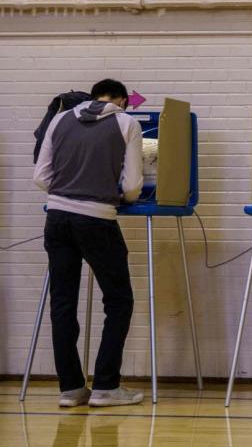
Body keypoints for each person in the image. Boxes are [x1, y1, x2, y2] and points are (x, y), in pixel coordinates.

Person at [34, 79, 144, 408]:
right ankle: (106, 386)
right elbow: (133, 186)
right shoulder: (127, 122)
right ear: (123, 100)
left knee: (63, 303)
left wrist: (69, 190)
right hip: (97, 219)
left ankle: (70, 389)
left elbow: (40, 176)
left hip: (56, 218)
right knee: (119, 301)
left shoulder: (60, 118)